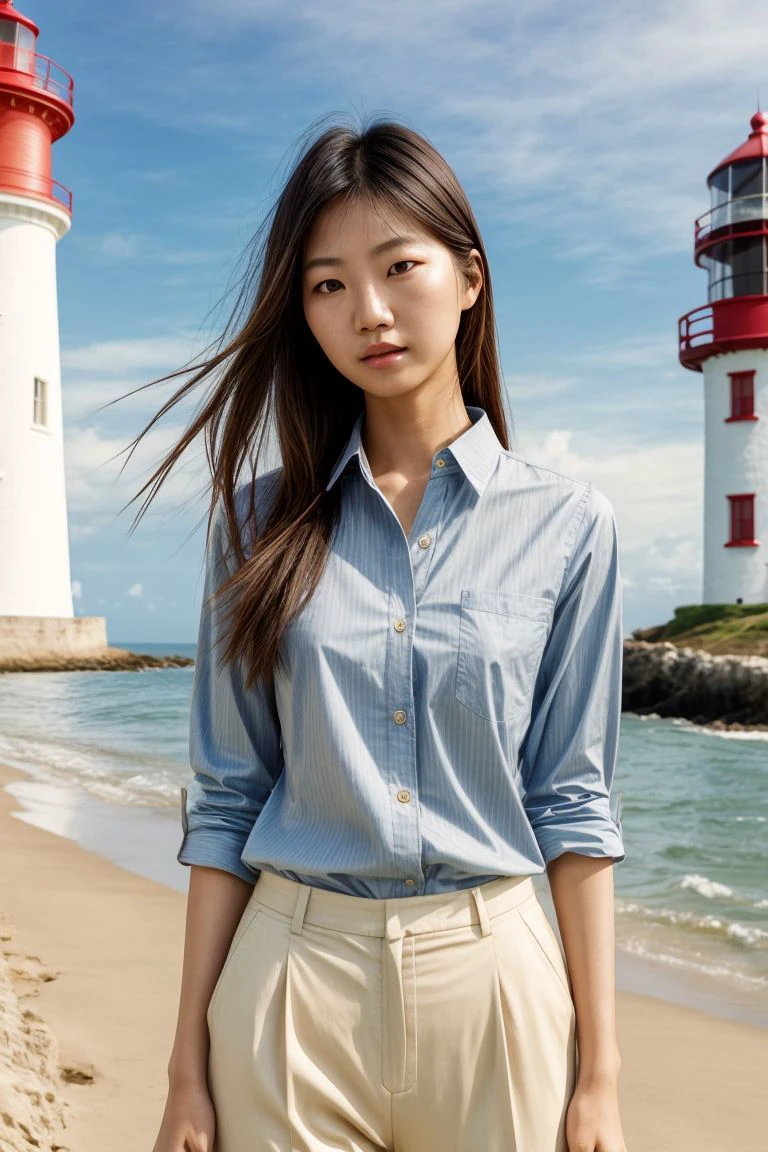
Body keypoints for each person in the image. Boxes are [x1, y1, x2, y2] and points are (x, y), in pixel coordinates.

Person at [143, 114, 629, 1152]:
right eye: (326, 284)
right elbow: (228, 797)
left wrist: (602, 1075)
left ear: (469, 275)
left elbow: (573, 803)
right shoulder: (253, 525)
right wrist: (187, 1063)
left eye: (399, 265)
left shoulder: (570, 526)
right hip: (290, 987)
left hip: (496, 987)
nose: (368, 309)